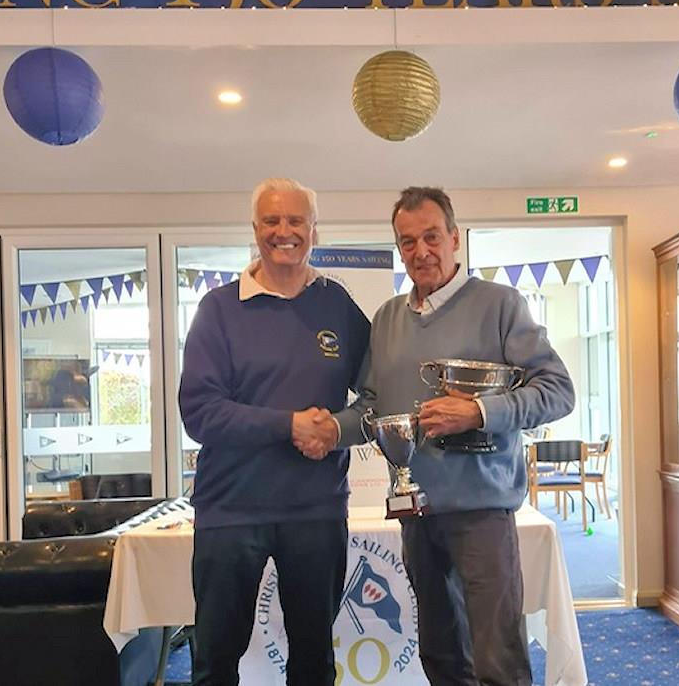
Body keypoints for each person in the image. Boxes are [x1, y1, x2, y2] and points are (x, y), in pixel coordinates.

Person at [334, 187, 575, 686]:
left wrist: (479, 412)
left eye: (431, 237)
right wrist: (327, 429)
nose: (420, 251)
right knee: (440, 655)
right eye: (407, 242)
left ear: (455, 238)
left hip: (482, 513)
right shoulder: (386, 320)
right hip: (416, 515)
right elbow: (373, 409)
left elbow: (559, 391)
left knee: (497, 657)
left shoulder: (501, 305)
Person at [179, 177, 369, 686]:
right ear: (255, 229)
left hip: (316, 510)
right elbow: (199, 413)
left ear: (314, 229)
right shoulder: (217, 310)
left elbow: (377, 399)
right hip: (230, 512)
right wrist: (288, 425)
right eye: (271, 221)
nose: (284, 231)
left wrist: (336, 428)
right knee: (215, 661)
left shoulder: (339, 306)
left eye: (295, 220)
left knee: (314, 661)